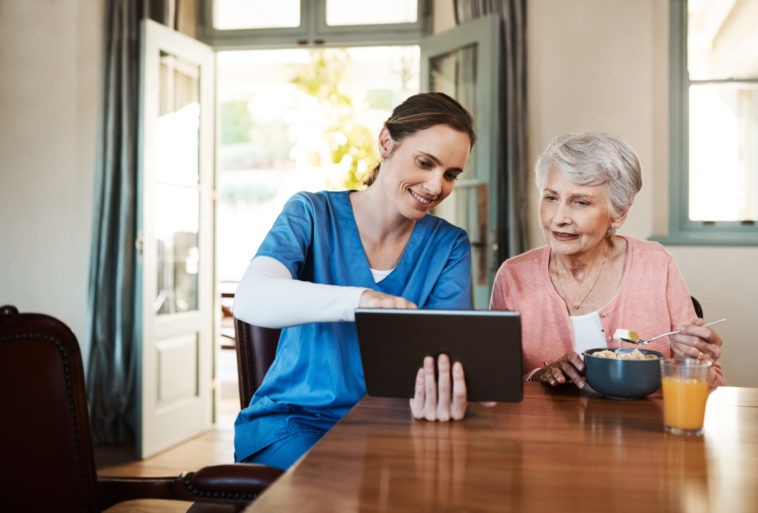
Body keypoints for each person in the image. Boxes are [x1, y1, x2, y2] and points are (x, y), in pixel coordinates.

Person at [232, 92, 476, 470]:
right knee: (344, 487)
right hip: (295, 424)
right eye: (425, 163)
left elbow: (446, 354)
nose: (435, 186)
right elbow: (251, 297)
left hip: (397, 430)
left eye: (450, 175)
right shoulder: (311, 214)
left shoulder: (449, 245)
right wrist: (361, 300)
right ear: (386, 142)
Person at [490, 131, 726, 389]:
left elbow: (714, 383)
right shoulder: (513, 276)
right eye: (551, 197)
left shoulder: (656, 265)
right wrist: (538, 376)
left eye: (580, 202)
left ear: (619, 214)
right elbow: (494, 382)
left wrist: (693, 361)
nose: (559, 218)